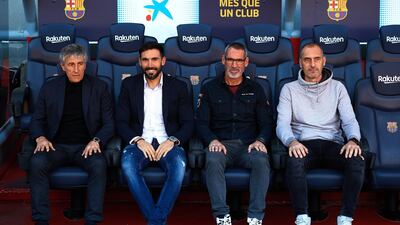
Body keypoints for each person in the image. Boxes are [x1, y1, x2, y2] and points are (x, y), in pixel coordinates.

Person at [276, 43, 365, 225]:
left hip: (332, 143)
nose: (312, 64)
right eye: (307, 60)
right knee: (294, 160)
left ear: (323, 61)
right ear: (300, 63)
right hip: (304, 143)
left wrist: (353, 140)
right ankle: (301, 217)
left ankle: (346, 217)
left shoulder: (338, 87)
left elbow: (349, 120)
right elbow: (282, 124)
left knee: (356, 159)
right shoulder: (289, 89)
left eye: (317, 59)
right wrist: (291, 142)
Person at [29, 44, 114, 225]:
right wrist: (41, 138)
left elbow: (109, 123)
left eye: (80, 64)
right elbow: (37, 120)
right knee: (37, 163)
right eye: (71, 64)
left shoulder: (100, 87)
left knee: (99, 164)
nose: (76, 69)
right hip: (56, 146)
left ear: (86, 64)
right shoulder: (50, 87)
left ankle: (92, 220)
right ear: (63, 66)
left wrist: (96, 140)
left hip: (86, 146)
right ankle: (41, 220)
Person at [116, 42, 194, 225]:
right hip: (139, 143)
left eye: (154, 59)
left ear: (163, 61)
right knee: (128, 166)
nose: (150, 64)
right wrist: (138, 140)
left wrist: (173, 141)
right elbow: (121, 121)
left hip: (168, 142)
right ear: (140, 62)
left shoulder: (178, 86)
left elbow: (189, 123)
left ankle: (154, 221)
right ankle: (157, 221)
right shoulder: (129, 85)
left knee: (178, 169)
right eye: (145, 60)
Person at [196, 42, 273, 225]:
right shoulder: (210, 88)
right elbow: (201, 123)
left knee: (261, 159)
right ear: (223, 60)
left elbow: (267, 122)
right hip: (221, 145)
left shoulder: (256, 89)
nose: (234, 65)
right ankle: (222, 216)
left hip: (249, 146)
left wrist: (261, 140)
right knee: (213, 159)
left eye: (239, 60)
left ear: (246, 62)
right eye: (230, 59)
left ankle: (255, 217)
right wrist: (212, 140)